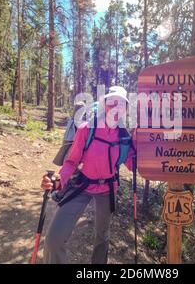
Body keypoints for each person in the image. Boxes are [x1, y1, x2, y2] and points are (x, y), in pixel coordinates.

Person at [41, 86, 136, 264]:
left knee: (102, 237)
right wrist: (58, 181)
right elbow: (71, 162)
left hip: (107, 190)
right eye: (112, 102)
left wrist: (139, 145)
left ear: (125, 109)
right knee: (54, 240)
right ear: (104, 105)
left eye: (121, 104)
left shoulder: (124, 138)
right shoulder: (87, 129)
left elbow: (132, 166)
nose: (116, 107)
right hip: (81, 186)